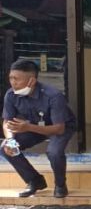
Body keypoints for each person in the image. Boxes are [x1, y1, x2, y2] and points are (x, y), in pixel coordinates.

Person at [2, 59, 77, 198]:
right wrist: (11, 140)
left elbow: (59, 129)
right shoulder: (11, 95)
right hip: (33, 126)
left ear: (31, 81)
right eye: (11, 78)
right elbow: (7, 121)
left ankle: (60, 184)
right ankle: (34, 180)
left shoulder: (53, 95)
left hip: (60, 126)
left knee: (54, 152)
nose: (13, 82)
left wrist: (28, 127)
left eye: (17, 79)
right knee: (6, 148)